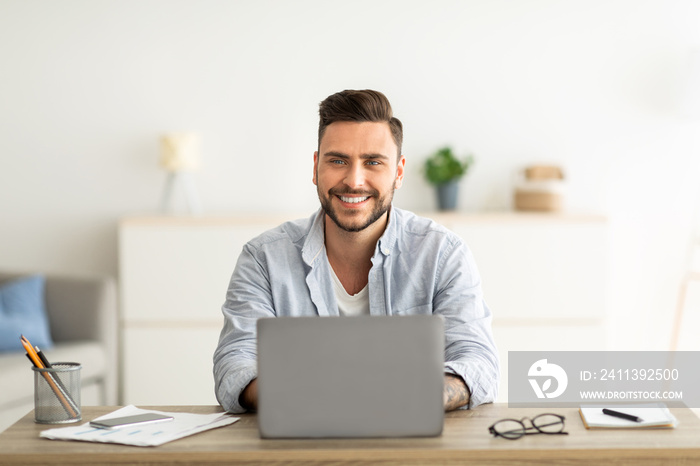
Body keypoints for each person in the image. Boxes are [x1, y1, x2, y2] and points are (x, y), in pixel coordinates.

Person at [213, 89, 499, 414]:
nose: (354, 181)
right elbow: (234, 364)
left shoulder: (443, 254)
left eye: (373, 162)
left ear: (399, 172)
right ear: (315, 166)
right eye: (338, 161)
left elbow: (479, 363)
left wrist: (410, 398)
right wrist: (317, 401)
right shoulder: (263, 258)